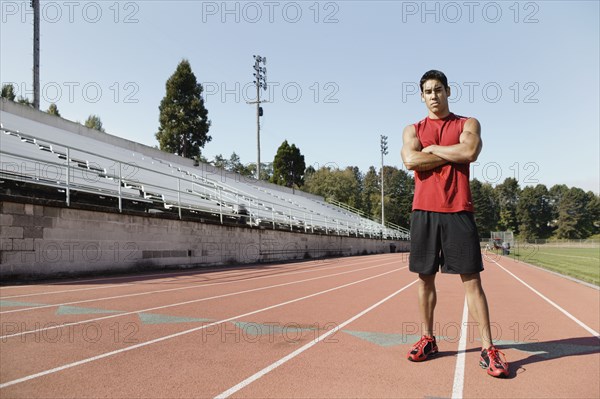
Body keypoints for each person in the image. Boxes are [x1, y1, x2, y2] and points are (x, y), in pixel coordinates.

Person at [400, 70, 509, 378]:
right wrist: (450, 155)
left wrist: (431, 151)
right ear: (422, 96)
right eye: (427, 92)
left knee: (472, 281)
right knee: (424, 279)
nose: (433, 95)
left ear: (448, 91)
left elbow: (470, 151)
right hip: (424, 211)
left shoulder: (467, 124)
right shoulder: (413, 129)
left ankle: (488, 349)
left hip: (459, 210)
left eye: (438, 90)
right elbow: (410, 161)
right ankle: (428, 339)